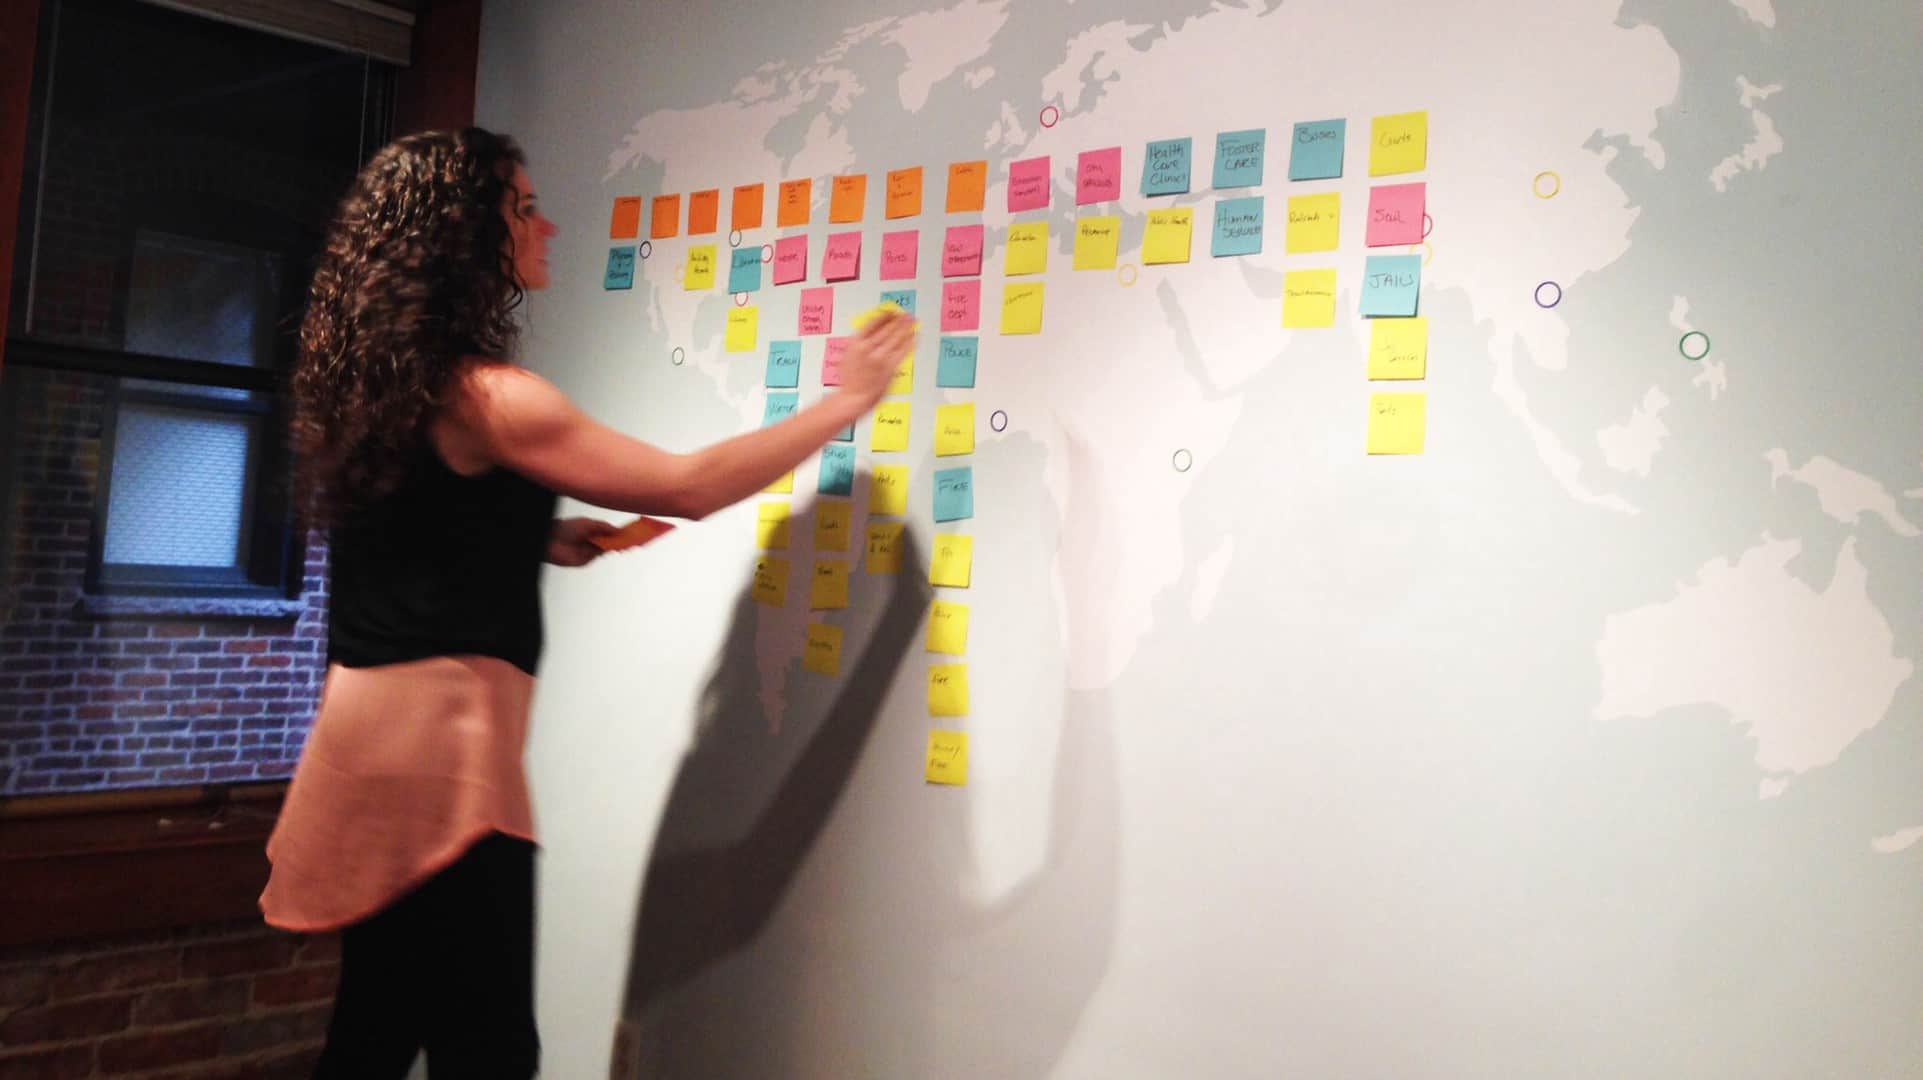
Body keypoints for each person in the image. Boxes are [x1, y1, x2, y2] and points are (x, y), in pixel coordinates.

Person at [262, 127, 914, 1077]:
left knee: (378, 1024)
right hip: (445, 753)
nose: (548, 224)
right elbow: (686, 484)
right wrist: (844, 404)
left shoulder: (391, 382)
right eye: (522, 209)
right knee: (487, 1049)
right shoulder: (494, 396)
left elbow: (420, 536)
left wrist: (537, 536)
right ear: (461, 237)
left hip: (368, 740)